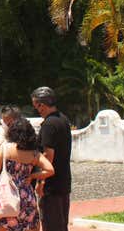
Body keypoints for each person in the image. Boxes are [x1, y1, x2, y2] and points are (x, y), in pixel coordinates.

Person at [0, 118, 54, 231]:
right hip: (26, 196)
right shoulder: (34, 153)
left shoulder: (5, 148)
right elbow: (50, 170)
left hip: (6, 196)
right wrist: (33, 176)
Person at [31, 87, 72, 231]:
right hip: (63, 181)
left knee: (51, 224)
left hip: (51, 185)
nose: (37, 109)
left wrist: (41, 181)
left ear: (41, 104)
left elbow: (48, 155)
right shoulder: (63, 119)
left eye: (37, 105)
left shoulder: (49, 124)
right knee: (61, 224)